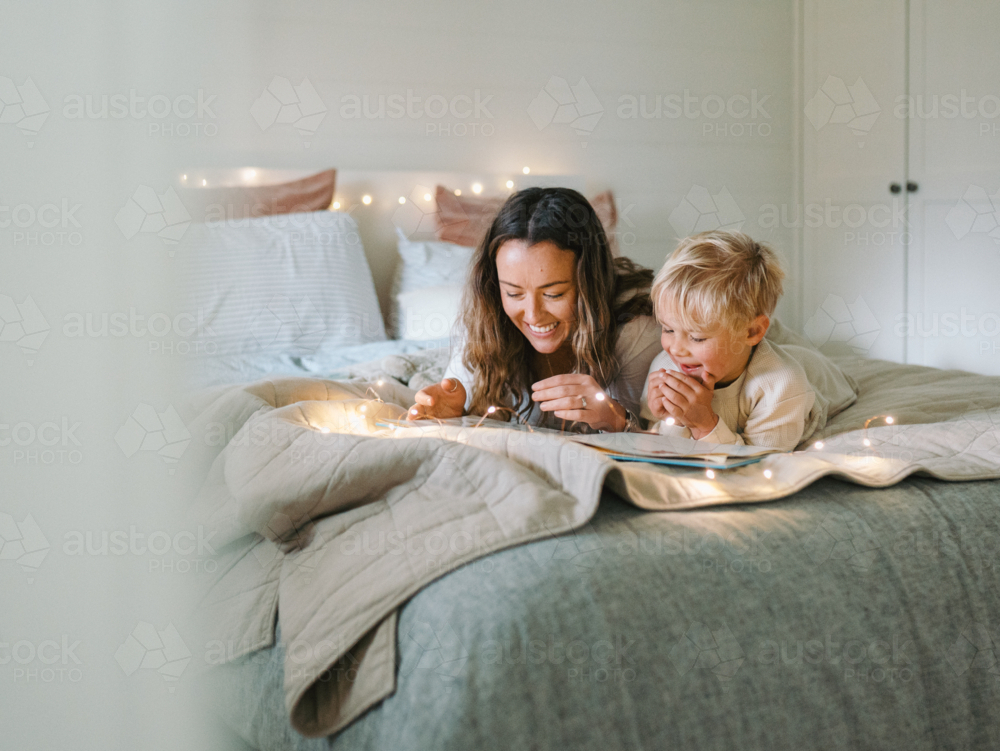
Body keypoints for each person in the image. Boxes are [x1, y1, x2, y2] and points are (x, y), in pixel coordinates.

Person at [408, 187, 661, 432]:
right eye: (514, 293)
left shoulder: (636, 327)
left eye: (553, 294)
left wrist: (616, 420)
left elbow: (657, 440)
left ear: (589, 284)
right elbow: (464, 419)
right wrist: (452, 416)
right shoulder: (485, 318)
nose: (533, 315)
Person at [640, 230, 857, 450]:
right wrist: (675, 420)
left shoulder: (782, 385)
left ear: (752, 332)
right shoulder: (666, 366)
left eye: (697, 337)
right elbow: (661, 444)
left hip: (816, 380)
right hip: (745, 349)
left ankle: (778, 338)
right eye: (668, 330)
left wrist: (704, 426)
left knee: (808, 362)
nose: (675, 349)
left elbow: (757, 463)